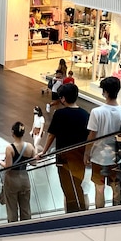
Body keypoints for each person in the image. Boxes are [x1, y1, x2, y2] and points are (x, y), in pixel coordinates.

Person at [40, 84, 90, 213]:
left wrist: (44, 152)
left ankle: (73, 215)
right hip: (80, 157)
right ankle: (82, 211)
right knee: (78, 185)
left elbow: (51, 135)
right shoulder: (85, 114)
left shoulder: (60, 114)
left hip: (64, 158)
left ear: (63, 99)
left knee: (67, 188)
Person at [84, 77, 121, 208]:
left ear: (105, 92)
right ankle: (117, 211)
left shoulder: (96, 112)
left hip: (98, 157)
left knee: (99, 188)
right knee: (116, 186)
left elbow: (92, 135)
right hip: (116, 157)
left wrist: (86, 153)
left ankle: (99, 214)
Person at [2, 122, 35, 222]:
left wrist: (0, 162)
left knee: (12, 208)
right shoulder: (29, 146)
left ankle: (13, 231)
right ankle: (27, 229)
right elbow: (34, 163)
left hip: (12, 180)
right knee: (25, 208)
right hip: (24, 178)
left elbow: (8, 167)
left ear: (13, 132)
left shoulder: (10, 148)